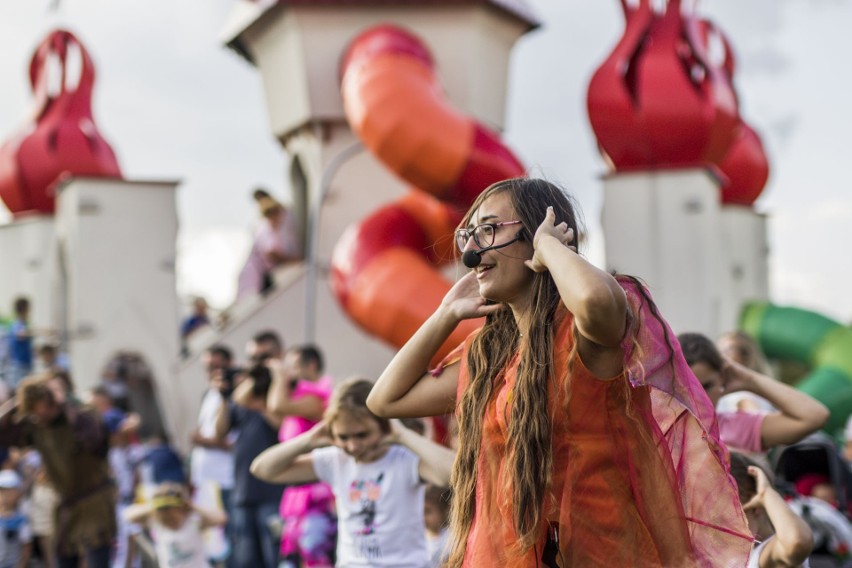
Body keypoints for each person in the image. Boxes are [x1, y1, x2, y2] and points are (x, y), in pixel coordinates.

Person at [366, 177, 752, 566]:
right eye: (469, 234)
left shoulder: (583, 331)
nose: (470, 250)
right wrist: (445, 314)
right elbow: (385, 400)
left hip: (605, 552)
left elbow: (596, 299)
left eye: (488, 230)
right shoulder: (486, 359)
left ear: (535, 235)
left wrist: (550, 247)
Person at [251, 377, 456, 568]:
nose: (353, 446)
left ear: (384, 427)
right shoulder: (334, 460)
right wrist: (308, 440)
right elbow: (263, 469)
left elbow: (455, 474)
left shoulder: (404, 459)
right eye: (343, 436)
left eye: (362, 434)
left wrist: (403, 435)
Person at [0, 375, 115, 568]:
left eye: (39, 408)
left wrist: (64, 404)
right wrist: (18, 402)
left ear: (49, 401)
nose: (37, 416)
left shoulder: (80, 416)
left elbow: (97, 443)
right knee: (63, 561)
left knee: (97, 561)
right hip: (66, 506)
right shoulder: (37, 428)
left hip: (94, 501)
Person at [678, 332, 829, 454]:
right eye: (689, 389)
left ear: (722, 378)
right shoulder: (659, 429)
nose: (699, 398)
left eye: (707, 386)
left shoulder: (731, 426)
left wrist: (750, 380)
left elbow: (814, 416)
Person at [266, 346, 335, 568]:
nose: (289, 372)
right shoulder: (297, 402)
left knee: (316, 554)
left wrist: (278, 374)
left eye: (293, 366)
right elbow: (250, 400)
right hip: (297, 490)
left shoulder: (316, 398)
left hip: (316, 491)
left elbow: (277, 405)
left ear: (311, 365)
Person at [215, 364, 283, 568]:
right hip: (243, 491)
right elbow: (220, 432)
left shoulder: (278, 398)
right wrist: (224, 397)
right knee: (246, 560)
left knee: (275, 556)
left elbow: (282, 427)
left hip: (273, 491)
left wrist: (259, 401)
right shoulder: (237, 403)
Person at [729, 452, 813, 568]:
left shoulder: (767, 557)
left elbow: (797, 542)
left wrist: (766, 494)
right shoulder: (735, 560)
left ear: (754, 504)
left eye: (724, 517)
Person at [124, 482, 227, 568]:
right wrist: (153, 505)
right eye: (166, 520)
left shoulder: (193, 521)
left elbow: (221, 518)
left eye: (173, 518)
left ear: (182, 510)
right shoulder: (157, 524)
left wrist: (193, 507)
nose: (170, 522)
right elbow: (128, 515)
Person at [236, 193, 301, 299]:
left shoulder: (277, 230)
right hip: (261, 278)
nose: (281, 218)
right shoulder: (264, 231)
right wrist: (292, 260)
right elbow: (271, 254)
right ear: (271, 215)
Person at [0, 469, 31, 568]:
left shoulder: (21, 520)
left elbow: (26, 547)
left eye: (10, 492)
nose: (5, 496)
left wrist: (21, 565)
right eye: (2, 492)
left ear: (17, 494)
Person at [5, 298, 33, 393]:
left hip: (24, 366)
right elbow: (21, 334)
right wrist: (44, 332)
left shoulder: (23, 325)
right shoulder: (17, 324)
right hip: (18, 367)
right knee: (18, 396)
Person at [423, 485, 450, 568]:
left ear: (443, 511)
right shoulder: (419, 537)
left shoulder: (450, 538)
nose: (423, 517)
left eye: (428, 512)